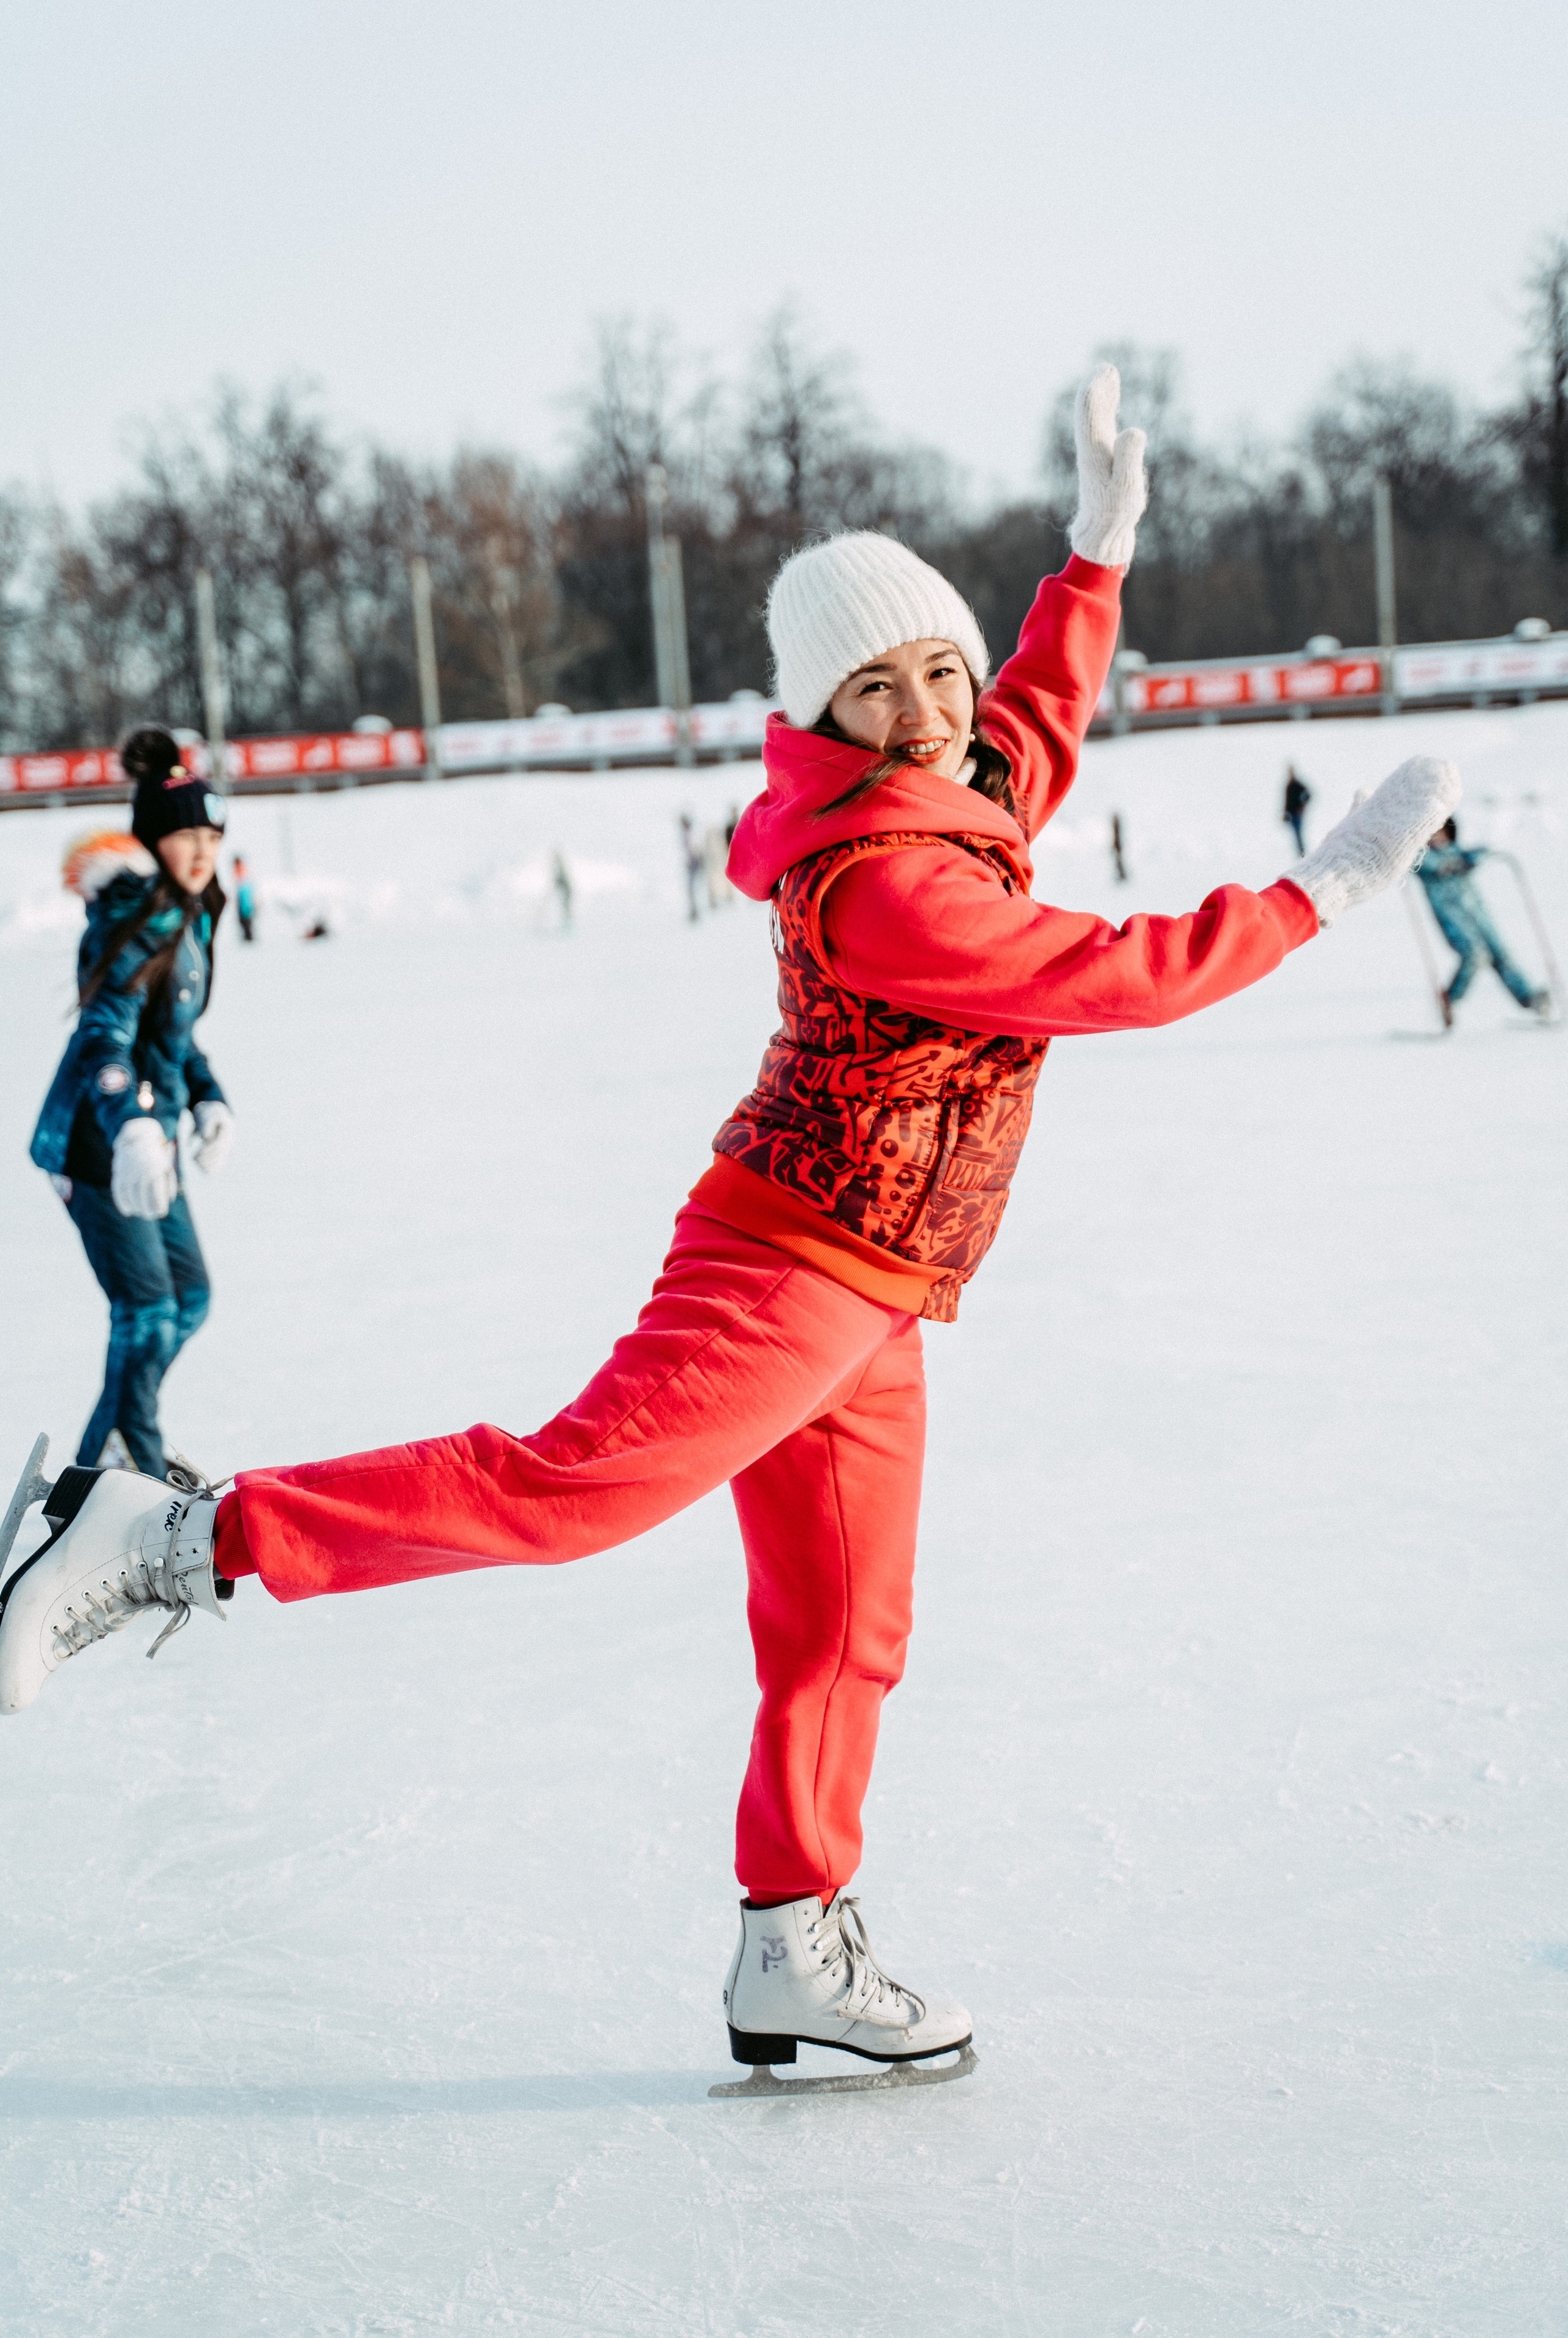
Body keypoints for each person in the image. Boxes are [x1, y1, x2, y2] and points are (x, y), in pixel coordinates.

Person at [0, 373, 1458, 2085]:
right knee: (566, 1493)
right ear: (821, 717)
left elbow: (1026, 743)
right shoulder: (889, 876)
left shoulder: (946, 778)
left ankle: (794, 1949)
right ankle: (172, 1537)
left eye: (939, 666)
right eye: (879, 686)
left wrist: (1094, 563)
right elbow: (1104, 974)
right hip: (788, 1265)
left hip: (877, 1292)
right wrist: (1320, 892)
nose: (927, 710)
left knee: (849, 1626)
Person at [23, 728, 237, 1483]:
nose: (202, 848)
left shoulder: (193, 916)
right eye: (185, 833)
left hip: (149, 1139)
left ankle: (104, 1459)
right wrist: (135, 1126)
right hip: (96, 1144)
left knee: (190, 1299)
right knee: (147, 1309)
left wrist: (208, 1099)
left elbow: (173, 1036)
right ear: (154, 838)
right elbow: (103, 1039)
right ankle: (125, 1466)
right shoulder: (132, 915)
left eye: (211, 832)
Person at [1415, 816, 1550, 1025]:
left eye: (1441, 833)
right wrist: (1460, 862)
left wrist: (1479, 856)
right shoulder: (1425, 860)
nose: (1437, 838)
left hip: (1478, 914)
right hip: (1453, 920)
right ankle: (1449, 1000)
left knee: (1500, 954)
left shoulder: (1456, 853)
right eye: (1432, 834)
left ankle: (1530, 998)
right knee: (1475, 954)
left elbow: (1478, 853)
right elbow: (1432, 864)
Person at [1283, 766, 1311, 856]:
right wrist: (1286, 813)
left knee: (1299, 835)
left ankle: (1303, 855)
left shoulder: (1297, 785)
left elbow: (1308, 795)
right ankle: (1301, 855)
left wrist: (1302, 807)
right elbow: (1287, 801)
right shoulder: (1289, 786)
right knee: (1296, 836)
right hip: (1291, 815)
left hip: (1297, 815)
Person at [232, 854, 257, 942]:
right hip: (242, 898)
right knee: (243, 920)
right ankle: (247, 936)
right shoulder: (238, 870)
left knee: (246, 919)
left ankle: (249, 937)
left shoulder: (242, 871)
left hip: (245, 898)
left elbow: (246, 886)